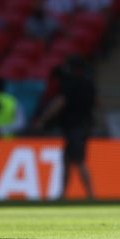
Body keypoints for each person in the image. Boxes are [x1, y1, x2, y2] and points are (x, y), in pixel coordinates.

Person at [31, 56, 96, 200]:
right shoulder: (89, 83)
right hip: (83, 125)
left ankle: (91, 196)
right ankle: (63, 194)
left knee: (79, 160)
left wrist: (43, 119)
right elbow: (96, 103)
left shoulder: (72, 82)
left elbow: (60, 102)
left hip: (75, 127)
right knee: (67, 159)